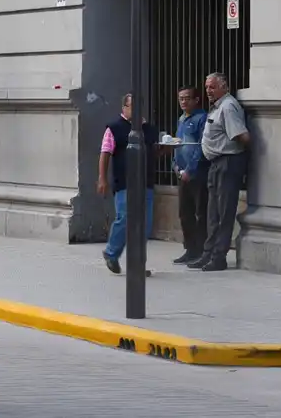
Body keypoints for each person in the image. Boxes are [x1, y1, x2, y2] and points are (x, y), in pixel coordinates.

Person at [191, 71, 249, 272]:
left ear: (224, 86)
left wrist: (237, 156)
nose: (208, 90)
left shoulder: (228, 107)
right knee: (212, 213)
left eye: (212, 87)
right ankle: (208, 254)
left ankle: (218, 257)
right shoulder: (216, 107)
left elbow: (242, 136)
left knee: (224, 213)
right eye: (207, 87)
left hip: (228, 163)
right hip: (216, 164)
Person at [97, 93, 157, 276]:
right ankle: (111, 252)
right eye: (132, 106)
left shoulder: (148, 129)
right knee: (125, 218)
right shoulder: (114, 128)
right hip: (124, 182)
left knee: (144, 225)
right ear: (124, 107)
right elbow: (105, 153)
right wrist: (102, 178)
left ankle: (137, 264)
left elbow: (155, 151)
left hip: (145, 182)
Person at [164, 87, 208, 265]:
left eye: (187, 98)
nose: (183, 102)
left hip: (197, 174)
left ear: (196, 100)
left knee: (201, 213)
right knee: (185, 213)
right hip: (182, 173)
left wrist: (190, 169)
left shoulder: (201, 118)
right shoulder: (181, 119)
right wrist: (175, 165)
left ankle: (202, 249)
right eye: (181, 98)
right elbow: (179, 144)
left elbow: (200, 146)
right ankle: (190, 249)